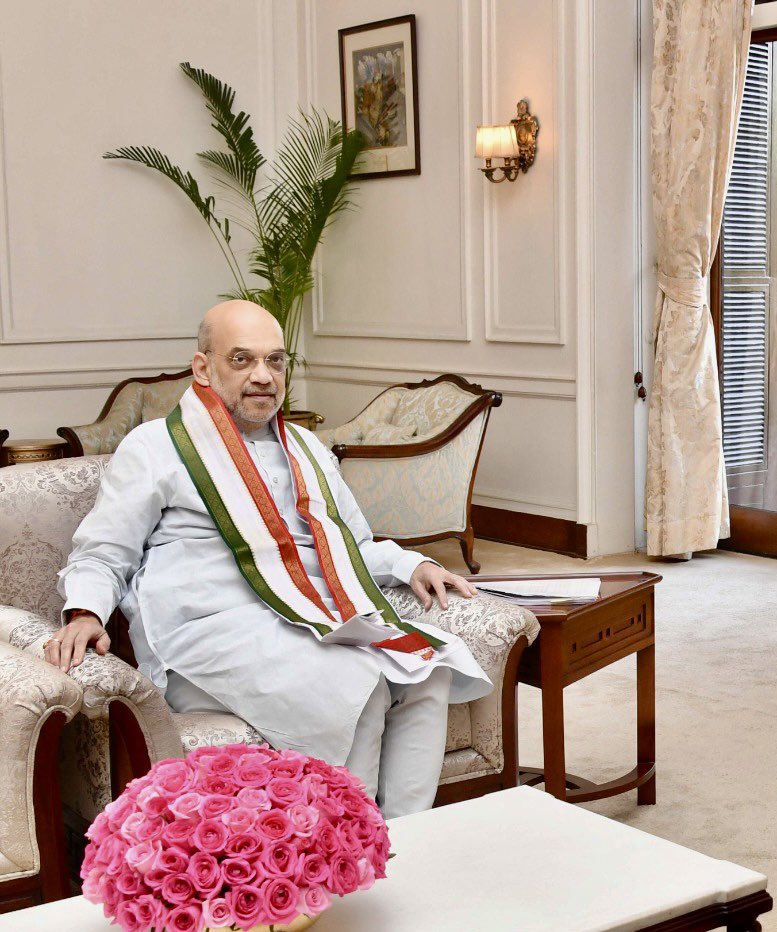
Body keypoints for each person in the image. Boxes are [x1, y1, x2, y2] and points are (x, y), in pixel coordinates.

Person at [46, 300, 491, 818]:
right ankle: (351, 850)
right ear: (202, 367)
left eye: (275, 361)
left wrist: (409, 565)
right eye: (241, 360)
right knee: (362, 689)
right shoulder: (156, 448)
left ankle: (405, 841)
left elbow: (349, 545)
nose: (263, 376)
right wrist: (85, 611)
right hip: (207, 632)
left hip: (305, 615)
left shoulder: (306, 446)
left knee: (427, 669)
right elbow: (104, 552)